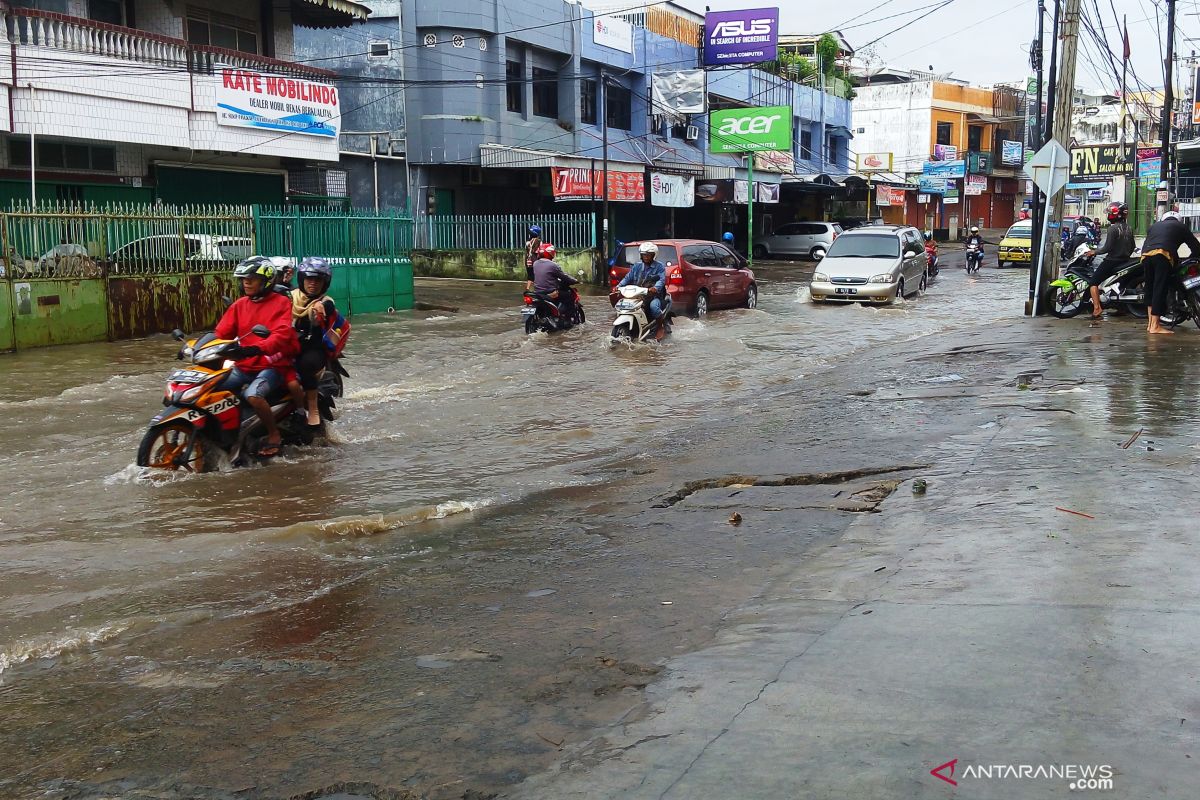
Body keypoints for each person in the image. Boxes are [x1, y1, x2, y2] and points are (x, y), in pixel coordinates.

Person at [215, 256, 300, 457]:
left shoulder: (281, 303)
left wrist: (257, 348)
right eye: (244, 279)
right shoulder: (239, 304)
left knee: (252, 395)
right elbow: (221, 333)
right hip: (244, 365)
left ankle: (273, 434)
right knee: (210, 386)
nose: (247, 282)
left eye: (251, 278)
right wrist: (198, 347)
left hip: (271, 365)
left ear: (265, 281)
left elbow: (282, 334)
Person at [268, 256, 351, 427]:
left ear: (324, 283)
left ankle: (312, 409)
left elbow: (326, 308)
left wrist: (320, 308)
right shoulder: (289, 297)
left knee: (306, 364)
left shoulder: (325, 302)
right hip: (286, 344)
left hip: (312, 347)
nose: (313, 283)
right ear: (302, 279)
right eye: (309, 279)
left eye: (318, 280)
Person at [1140, 210, 1200, 334]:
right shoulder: (1181, 227)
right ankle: (1155, 327)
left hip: (1145, 256)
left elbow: (1159, 242)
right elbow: (1196, 248)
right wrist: (1191, 259)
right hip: (1162, 256)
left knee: (1150, 289)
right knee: (1159, 289)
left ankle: (1150, 325)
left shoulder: (1154, 226)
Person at [1085, 203, 1135, 320]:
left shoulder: (1112, 229)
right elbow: (1132, 246)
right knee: (1122, 284)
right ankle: (1121, 308)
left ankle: (1097, 308)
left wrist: (1094, 252)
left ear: (1114, 215)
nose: (1108, 215)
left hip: (1112, 261)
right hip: (1125, 261)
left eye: (1109, 213)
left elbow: (1106, 248)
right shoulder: (1129, 228)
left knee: (1093, 283)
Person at [613, 241, 668, 340]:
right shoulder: (637, 266)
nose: (646, 257)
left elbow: (661, 280)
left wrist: (655, 288)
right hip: (638, 295)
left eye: (648, 255)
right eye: (644, 255)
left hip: (653, 296)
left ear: (653, 256)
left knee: (654, 307)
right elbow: (627, 278)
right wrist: (618, 286)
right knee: (622, 305)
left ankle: (660, 327)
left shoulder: (659, 267)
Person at [530, 243, 580, 322]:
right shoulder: (553, 265)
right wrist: (574, 280)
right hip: (550, 292)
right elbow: (564, 276)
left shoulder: (535, 263)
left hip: (538, 292)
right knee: (569, 296)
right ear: (551, 253)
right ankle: (568, 318)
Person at [524, 225, 543, 291]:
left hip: (528, 261)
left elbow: (527, 251)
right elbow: (539, 252)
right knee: (537, 276)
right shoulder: (539, 241)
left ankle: (527, 289)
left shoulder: (527, 242)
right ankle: (537, 289)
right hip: (535, 261)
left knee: (530, 276)